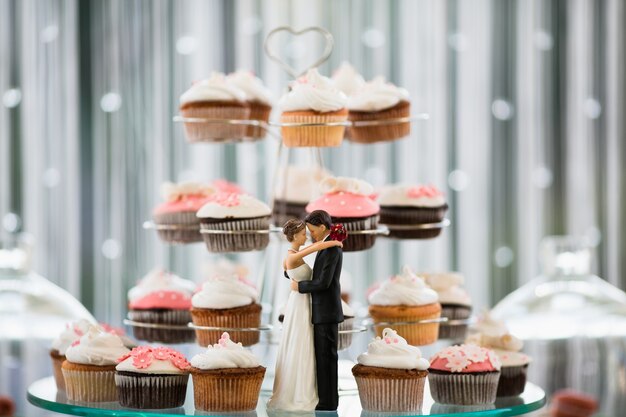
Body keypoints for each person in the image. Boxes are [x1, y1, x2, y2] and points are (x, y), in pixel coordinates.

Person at [267, 218, 342, 411]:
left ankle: (311, 390)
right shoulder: (293, 256)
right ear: (294, 236)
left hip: (305, 303)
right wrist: (333, 242)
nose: (306, 236)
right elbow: (313, 250)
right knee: (302, 345)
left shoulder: (291, 255)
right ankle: (301, 392)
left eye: (308, 231)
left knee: (306, 347)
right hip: (301, 303)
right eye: (303, 233)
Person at [292, 209, 344, 411]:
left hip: (327, 311)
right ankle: (324, 399)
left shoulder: (332, 249)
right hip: (322, 311)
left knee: (327, 357)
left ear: (322, 227)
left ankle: (328, 402)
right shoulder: (326, 246)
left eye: (313, 231)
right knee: (322, 357)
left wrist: (300, 287)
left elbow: (323, 283)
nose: (311, 235)